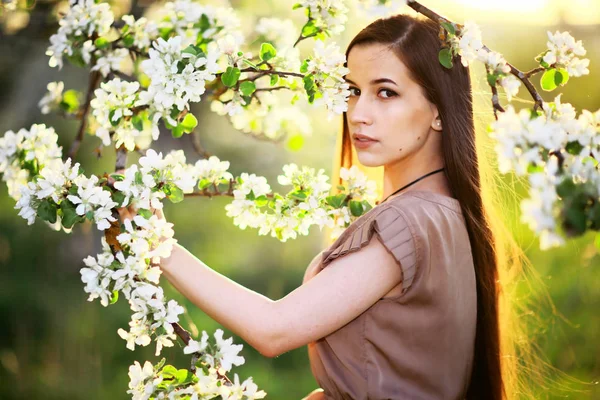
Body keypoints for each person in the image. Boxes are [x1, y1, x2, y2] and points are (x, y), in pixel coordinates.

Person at [118, 13, 520, 400]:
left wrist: (160, 247)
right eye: (352, 91)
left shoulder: (407, 221)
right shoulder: (448, 214)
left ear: (438, 111)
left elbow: (273, 330)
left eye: (386, 92)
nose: (359, 114)